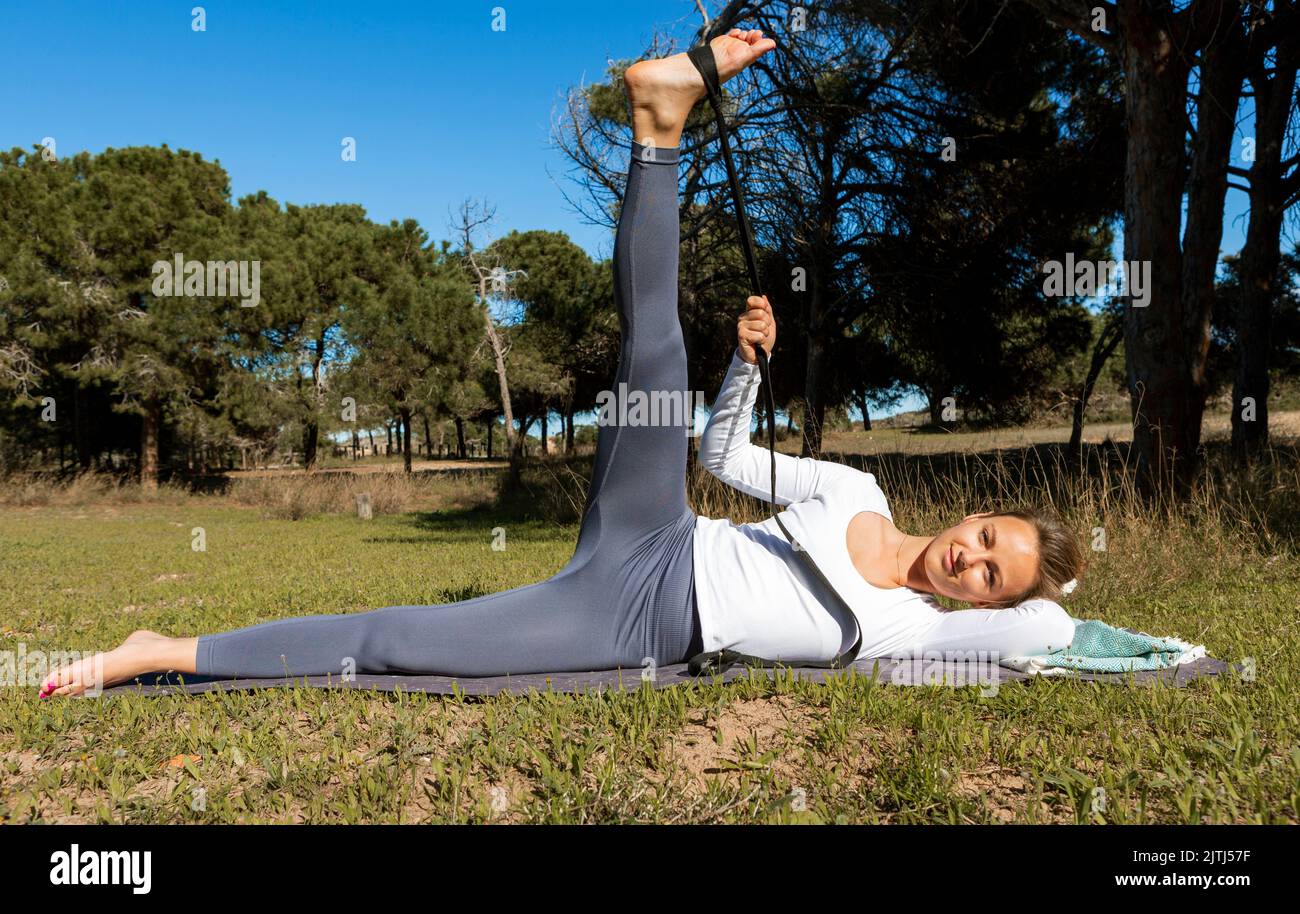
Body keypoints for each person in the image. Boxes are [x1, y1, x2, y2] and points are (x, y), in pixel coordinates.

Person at [39, 28, 1081, 699]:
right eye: (987, 534)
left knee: (399, 641)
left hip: (632, 611)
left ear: (984, 602)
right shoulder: (856, 485)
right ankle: (658, 119)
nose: (971, 556)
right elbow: (722, 457)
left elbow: (1053, 629)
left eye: (992, 572)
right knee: (657, 352)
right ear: (973, 510)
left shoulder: (910, 636)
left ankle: (162, 645)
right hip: (661, 525)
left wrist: (1047, 584)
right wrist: (749, 369)